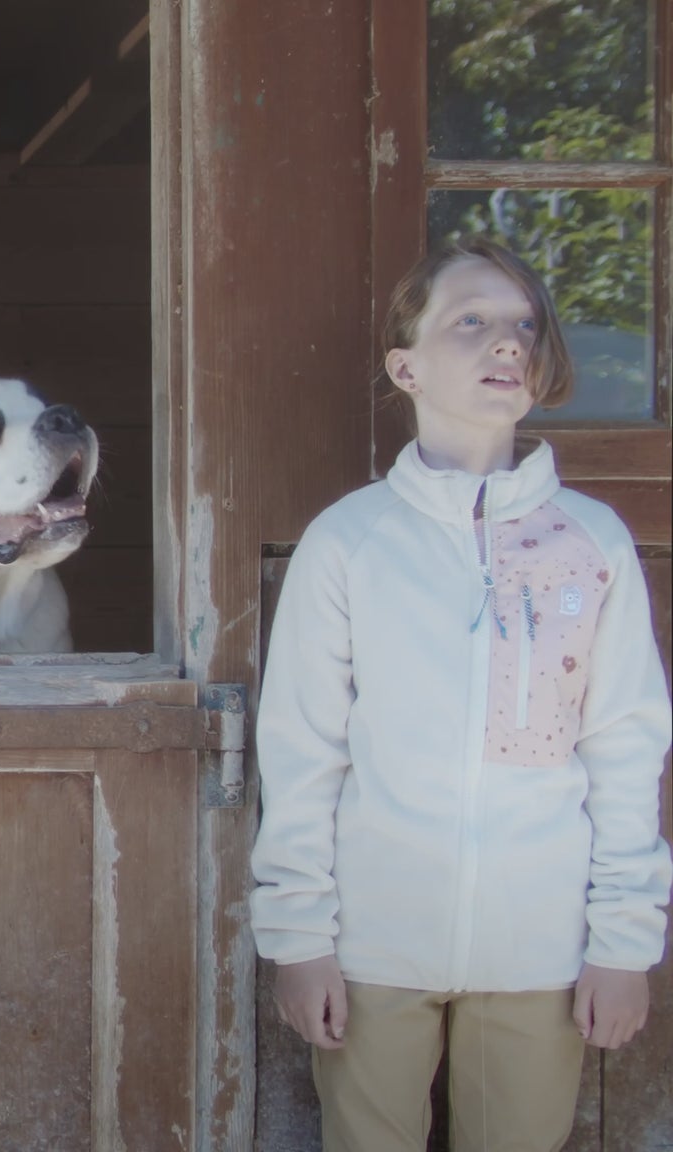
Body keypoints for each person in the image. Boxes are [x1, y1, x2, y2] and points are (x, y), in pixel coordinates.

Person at [250, 239, 672, 1151]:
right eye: (471, 322)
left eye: (524, 324)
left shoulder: (589, 543)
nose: (507, 342)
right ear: (407, 367)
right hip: (371, 946)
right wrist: (299, 939)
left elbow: (626, 747)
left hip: (541, 952)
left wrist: (624, 944)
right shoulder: (351, 542)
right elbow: (302, 749)